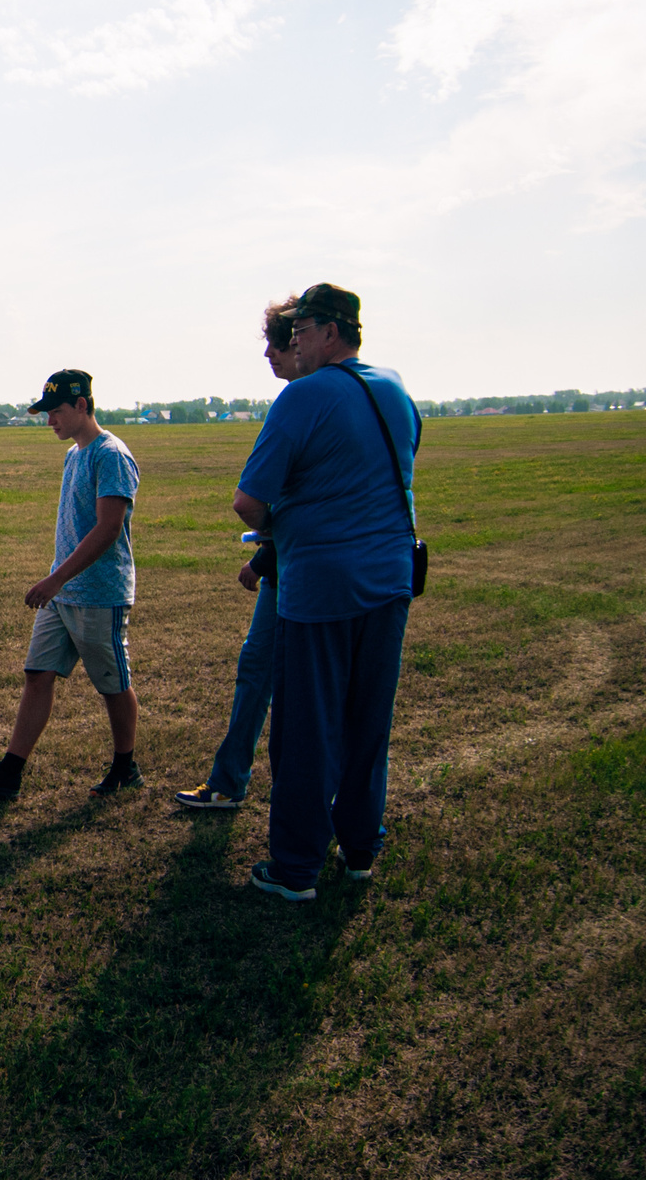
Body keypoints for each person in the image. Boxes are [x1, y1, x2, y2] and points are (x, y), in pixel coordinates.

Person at [235, 282, 421, 901]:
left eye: (301, 331)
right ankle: (361, 847)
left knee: (305, 728)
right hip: (390, 581)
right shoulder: (394, 388)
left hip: (320, 588)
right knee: (368, 722)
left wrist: (275, 528)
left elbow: (249, 501)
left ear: (330, 333)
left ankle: (295, 869)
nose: (294, 344)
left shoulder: (304, 395)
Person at [0, 369, 144, 800]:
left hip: (99, 594)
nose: (50, 420)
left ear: (82, 405)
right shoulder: (74, 455)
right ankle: (10, 772)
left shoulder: (110, 455)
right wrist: (59, 580)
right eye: (46, 413)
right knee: (37, 674)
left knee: (112, 683)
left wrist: (56, 578)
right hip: (64, 593)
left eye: (56, 411)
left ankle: (125, 767)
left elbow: (108, 528)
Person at [174, 298, 302, 811]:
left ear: (307, 343)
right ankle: (230, 781)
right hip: (289, 565)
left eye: (279, 344)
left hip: (299, 571)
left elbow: (258, 503)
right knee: (258, 672)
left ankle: (259, 791)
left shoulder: (301, 402)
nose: (269, 354)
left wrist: (265, 557)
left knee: (279, 681)